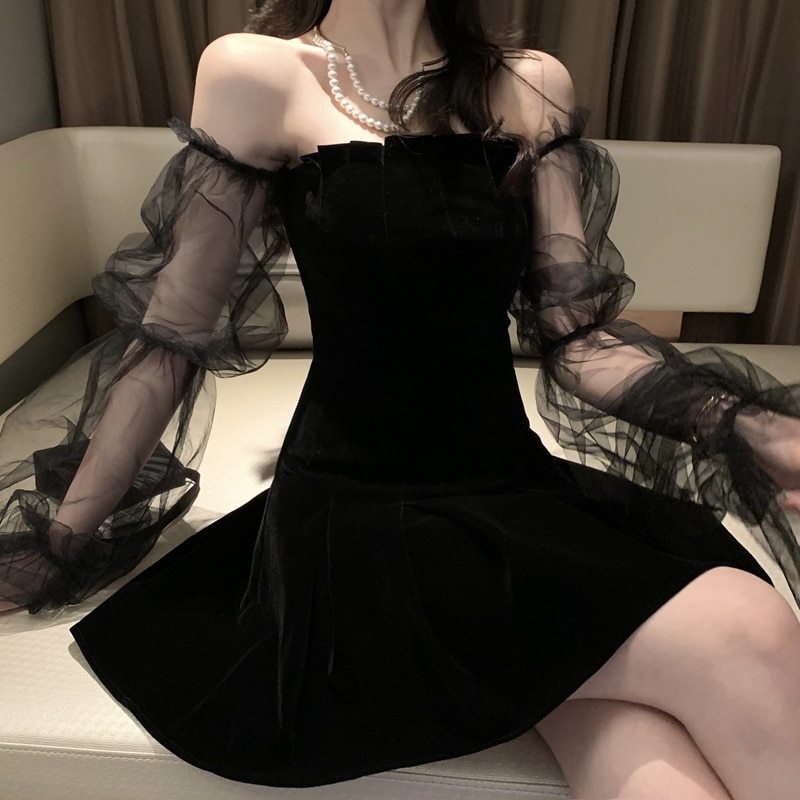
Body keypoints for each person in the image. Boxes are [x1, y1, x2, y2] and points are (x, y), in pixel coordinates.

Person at [1, 0, 799, 795]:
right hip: (359, 516)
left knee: (636, 745)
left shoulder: (532, 84)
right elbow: (170, 345)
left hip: (512, 489)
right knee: (748, 623)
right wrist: (63, 540)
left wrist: (744, 423)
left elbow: (580, 341)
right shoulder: (257, 74)